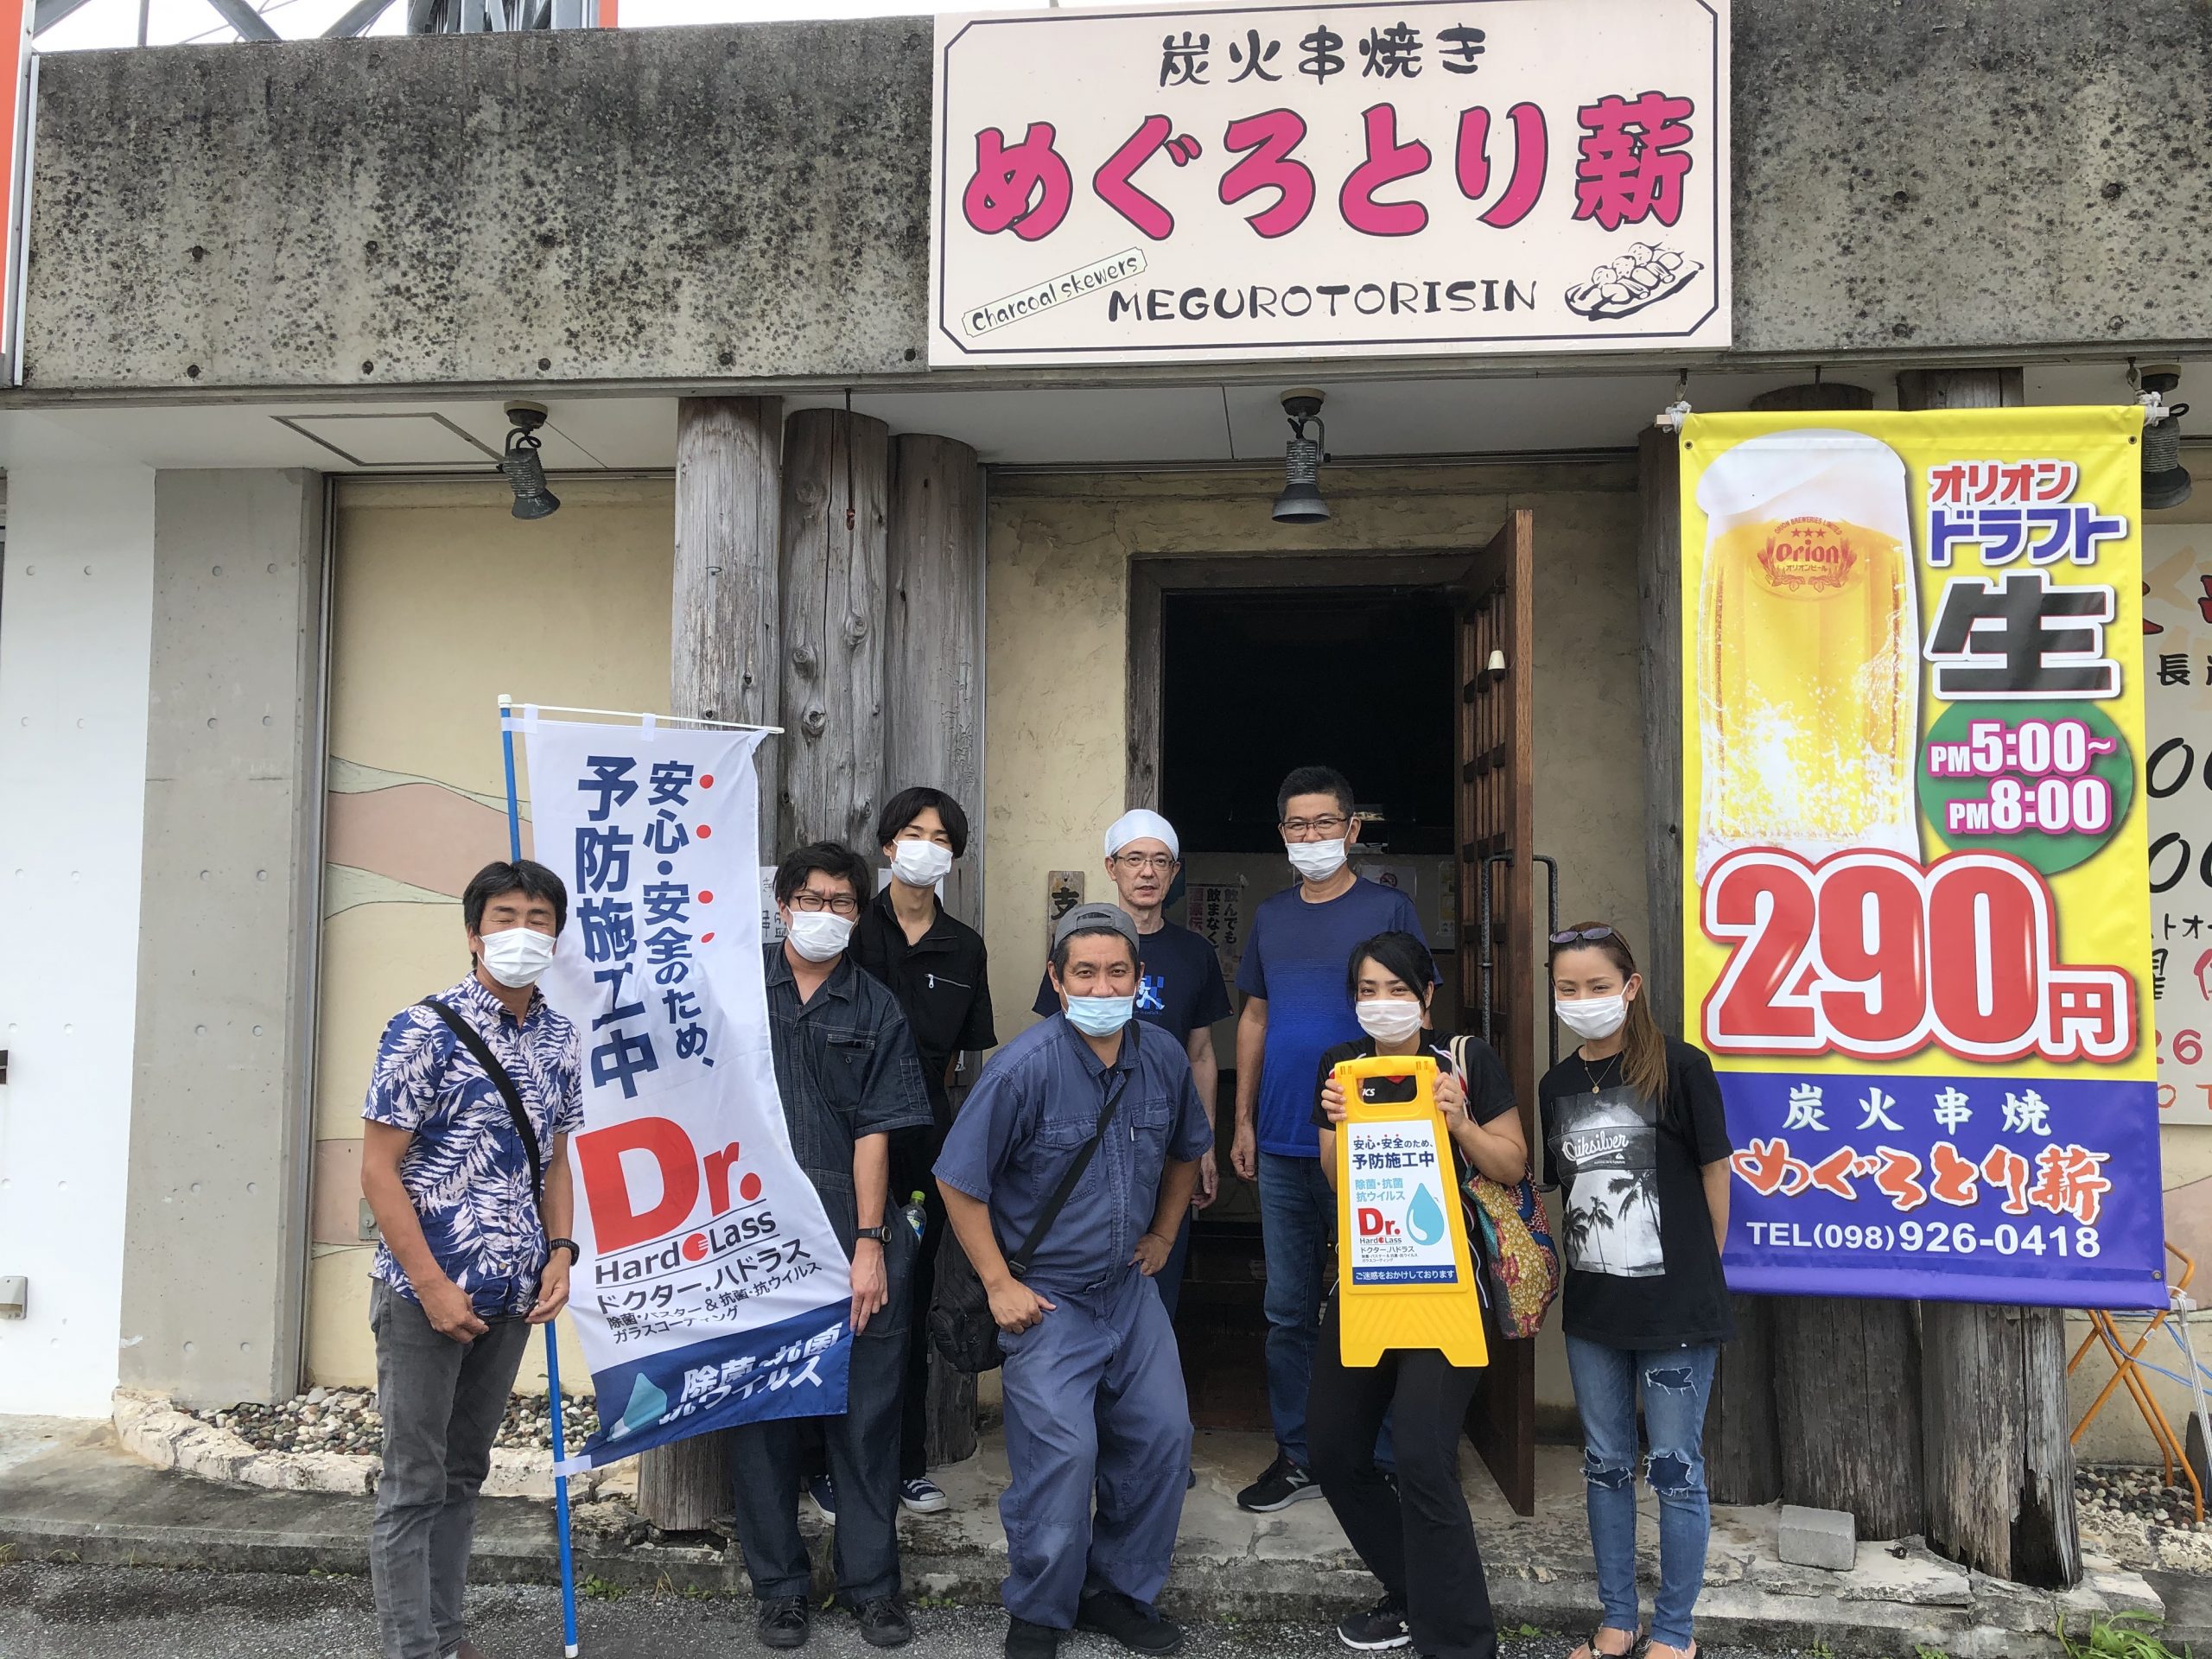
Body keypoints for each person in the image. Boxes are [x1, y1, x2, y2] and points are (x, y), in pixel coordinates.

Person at [936, 904, 1213, 1659]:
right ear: (1056, 981)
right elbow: (959, 1180)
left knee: (1162, 1437)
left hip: (1127, 1290)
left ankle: (1115, 1591)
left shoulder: (1162, 1057)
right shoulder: (1022, 1069)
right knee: (1063, 1455)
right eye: (1084, 972)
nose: (1101, 986)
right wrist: (998, 1284)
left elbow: (1187, 1147)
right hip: (1048, 1298)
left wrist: (1164, 1234)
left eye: (1117, 972)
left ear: (1139, 979)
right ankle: (1039, 1610)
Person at [359, 858, 582, 1659]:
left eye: (538, 919)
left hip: (512, 1292)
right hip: (425, 1293)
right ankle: (411, 1648)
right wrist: (430, 1286)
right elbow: (377, 1169)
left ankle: (446, 1638)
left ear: (557, 935)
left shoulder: (560, 1037)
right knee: (412, 1482)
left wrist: (561, 1252)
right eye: (504, 917)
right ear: (473, 933)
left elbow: (556, 1160)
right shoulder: (421, 1030)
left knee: (462, 1473)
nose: (522, 933)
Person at [728, 842, 933, 1651]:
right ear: (782, 906)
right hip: (752, 1238)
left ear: (858, 913)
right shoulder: (736, 989)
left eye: (842, 903)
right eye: (811, 900)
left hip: (851, 1233)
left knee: (868, 1416)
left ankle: (872, 1586)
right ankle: (779, 1589)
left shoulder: (875, 1006)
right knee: (762, 1418)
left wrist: (870, 1244)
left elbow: (876, 1131)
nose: (826, 914)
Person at [1309, 931, 1523, 1659]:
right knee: (1333, 1448)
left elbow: (1513, 1163)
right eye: (1368, 991)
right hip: (1368, 1283)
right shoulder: (1339, 1067)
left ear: (1427, 996)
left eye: (1398, 989)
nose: (1383, 1004)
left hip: (1451, 1288)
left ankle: (1461, 1644)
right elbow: (1337, 1182)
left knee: (1424, 1455)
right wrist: (1340, 1125)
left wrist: (1460, 1119)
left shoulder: (1465, 1061)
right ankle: (1411, 1593)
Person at [1231, 766, 1426, 1513]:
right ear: (1282, 832)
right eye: (1296, 824)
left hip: (1371, 1142)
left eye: (1323, 823)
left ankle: (1382, 1457)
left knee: (1380, 1298)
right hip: (1282, 1138)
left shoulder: (1388, 909)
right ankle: (1299, 1454)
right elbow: (1255, 1018)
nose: (1309, 836)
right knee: (1287, 1309)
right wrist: (1242, 1119)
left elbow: (1416, 1012)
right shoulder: (1272, 916)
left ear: (1352, 829)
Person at [1541, 924, 1733, 1659]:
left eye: (1597, 985)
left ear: (1630, 987)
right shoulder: (1557, 1086)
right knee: (1605, 1466)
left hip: (1676, 1308)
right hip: (1594, 1311)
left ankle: (1675, 1633)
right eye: (1567, 988)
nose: (1582, 999)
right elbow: (1565, 1190)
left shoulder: (1680, 1068)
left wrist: (1701, 1270)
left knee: (1676, 1471)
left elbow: (1716, 1173)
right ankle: (1618, 1622)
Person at [849, 785, 999, 1518]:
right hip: (839, 1140)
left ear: (954, 857)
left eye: (941, 839)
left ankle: (906, 1463)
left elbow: (961, 1063)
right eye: (914, 833)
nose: (926, 848)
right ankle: (828, 1465)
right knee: (837, 1303)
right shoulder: (850, 928)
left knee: (904, 1301)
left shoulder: (964, 946)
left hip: (921, 1146)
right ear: (888, 844)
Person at [1030, 808, 1230, 1322]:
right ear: (1111, 867)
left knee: (1158, 1268)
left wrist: (1203, 1142)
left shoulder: (1195, 953)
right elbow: (1050, 1045)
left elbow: (1201, 1054)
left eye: (1160, 861)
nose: (1147, 872)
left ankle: (1149, 1366)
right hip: (1083, 1134)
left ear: (1174, 871)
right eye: (1135, 859)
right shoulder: (1083, 945)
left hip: (1163, 1137)